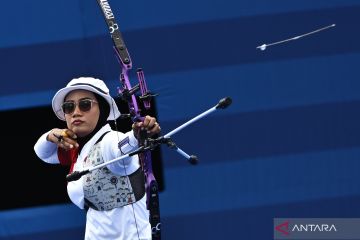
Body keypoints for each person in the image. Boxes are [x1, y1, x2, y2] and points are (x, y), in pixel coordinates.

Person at [34, 77, 160, 240]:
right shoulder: (76, 148)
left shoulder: (109, 141)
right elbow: (42, 153)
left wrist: (137, 135)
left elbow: (121, 146)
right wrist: (51, 135)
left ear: (103, 109)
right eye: (69, 107)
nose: (76, 112)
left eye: (85, 104)